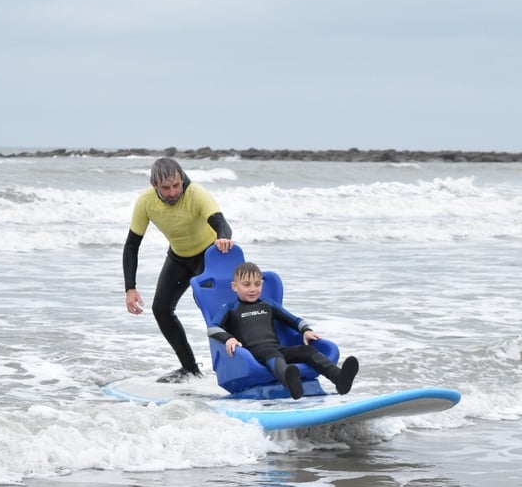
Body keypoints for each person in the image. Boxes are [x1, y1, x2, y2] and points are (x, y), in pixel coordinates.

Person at [123, 157, 235, 383]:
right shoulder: (145, 202)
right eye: (166, 188)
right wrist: (130, 288)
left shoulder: (196, 193)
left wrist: (223, 238)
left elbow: (222, 223)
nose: (174, 192)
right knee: (161, 309)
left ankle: (239, 367)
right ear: (154, 185)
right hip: (179, 258)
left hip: (209, 257)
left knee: (219, 313)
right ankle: (190, 369)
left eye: (177, 185)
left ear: (182, 179)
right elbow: (132, 245)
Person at [208, 262, 359, 399]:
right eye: (247, 285)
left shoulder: (268, 305)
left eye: (257, 284)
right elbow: (213, 328)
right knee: (272, 355)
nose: (253, 289)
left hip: (278, 349)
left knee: (305, 351)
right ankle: (289, 382)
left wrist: (306, 330)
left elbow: (294, 320)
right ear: (235, 286)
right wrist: (228, 338)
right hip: (254, 354)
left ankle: (339, 378)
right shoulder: (230, 308)